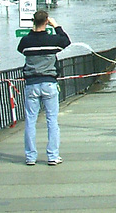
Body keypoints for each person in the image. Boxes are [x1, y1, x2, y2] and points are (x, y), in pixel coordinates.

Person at [17, 11, 71, 166]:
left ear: (33, 22)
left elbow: (21, 48)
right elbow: (66, 41)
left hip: (31, 84)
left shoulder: (26, 41)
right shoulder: (53, 41)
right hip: (49, 82)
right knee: (52, 120)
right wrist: (56, 26)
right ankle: (53, 156)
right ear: (46, 22)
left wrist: (33, 30)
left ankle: (30, 156)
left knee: (30, 121)